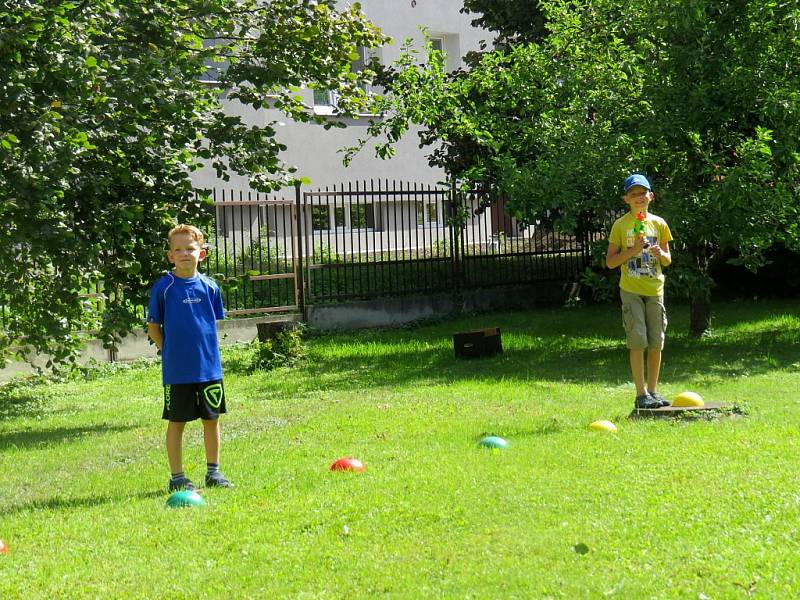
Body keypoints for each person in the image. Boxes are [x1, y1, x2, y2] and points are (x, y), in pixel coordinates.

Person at [147, 224, 234, 491]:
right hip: (178, 371)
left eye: (191, 248)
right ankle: (177, 478)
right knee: (177, 422)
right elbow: (153, 328)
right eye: (179, 249)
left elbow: (211, 323)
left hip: (209, 369)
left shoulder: (210, 287)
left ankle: (214, 473)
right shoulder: (164, 288)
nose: (185, 253)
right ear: (170, 256)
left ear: (202, 254)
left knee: (212, 419)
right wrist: (169, 352)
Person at [606, 174, 674, 409]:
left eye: (642, 193)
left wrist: (659, 254)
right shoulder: (620, 225)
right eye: (633, 194)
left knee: (656, 342)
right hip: (631, 290)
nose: (638, 197)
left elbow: (667, 261)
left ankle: (653, 391)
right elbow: (611, 262)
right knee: (638, 340)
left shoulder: (659, 223)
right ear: (626, 199)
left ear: (651, 196)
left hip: (655, 289)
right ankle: (640, 394)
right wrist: (633, 249)